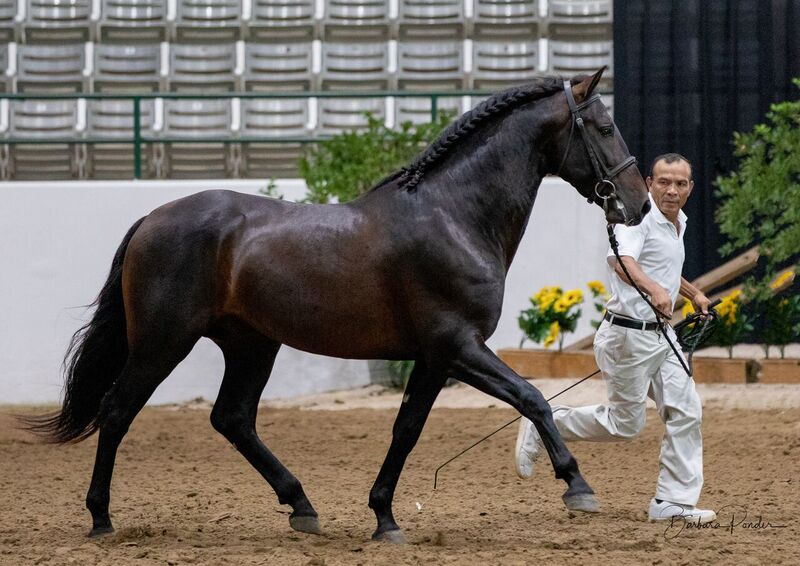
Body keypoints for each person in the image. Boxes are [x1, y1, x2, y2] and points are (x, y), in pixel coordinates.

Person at [515, 153, 717, 524]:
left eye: (680, 184)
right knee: (626, 424)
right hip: (628, 335)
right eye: (664, 182)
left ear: (690, 187)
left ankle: (672, 502)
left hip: (662, 336)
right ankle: (546, 423)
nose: (672, 190)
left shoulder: (678, 222)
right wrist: (655, 290)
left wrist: (692, 294)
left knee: (686, 412)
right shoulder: (634, 217)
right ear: (649, 182)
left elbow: (661, 265)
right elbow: (622, 261)